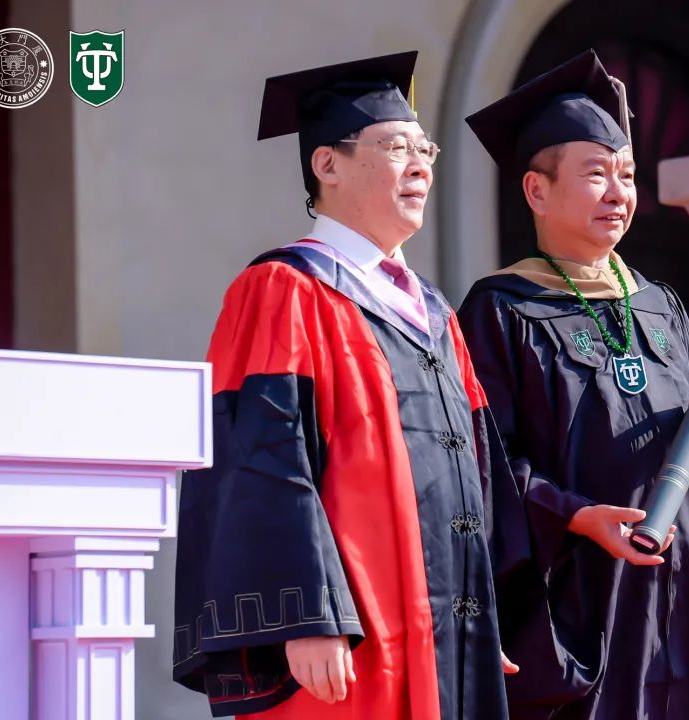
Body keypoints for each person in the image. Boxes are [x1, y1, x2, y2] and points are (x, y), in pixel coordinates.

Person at [173, 51, 521, 720]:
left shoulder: (435, 314)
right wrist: (304, 615)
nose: (421, 166)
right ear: (327, 164)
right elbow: (261, 458)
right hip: (355, 634)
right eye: (396, 147)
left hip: (448, 636)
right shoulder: (284, 289)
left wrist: (484, 608)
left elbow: (479, 469)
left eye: (425, 149)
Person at [459, 49, 689, 720]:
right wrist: (576, 516)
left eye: (628, 175)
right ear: (536, 192)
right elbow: (483, 463)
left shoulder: (660, 305)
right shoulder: (501, 311)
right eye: (596, 174)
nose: (619, 193)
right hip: (585, 599)